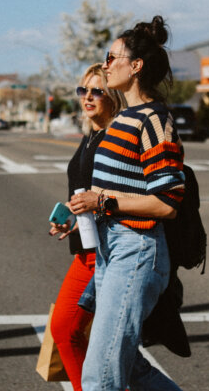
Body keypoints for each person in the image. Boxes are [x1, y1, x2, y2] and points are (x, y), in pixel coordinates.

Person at [70, 16, 186, 391]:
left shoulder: (154, 119)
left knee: (100, 374)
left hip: (136, 250)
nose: (106, 64)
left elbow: (167, 202)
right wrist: (84, 211)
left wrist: (101, 199)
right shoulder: (123, 120)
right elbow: (117, 191)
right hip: (111, 250)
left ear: (136, 66)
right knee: (127, 366)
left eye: (112, 56)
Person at [48, 63, 124, 391]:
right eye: (83, 90)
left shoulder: (115, 138)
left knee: (71, 332)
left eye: (97, 91)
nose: (88, 97)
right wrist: (68, 216)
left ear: (114, 96)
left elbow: (117, 195)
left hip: (105, 253)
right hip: (85, 248)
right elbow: (85, 191)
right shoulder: (90, 135)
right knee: (68, 332)